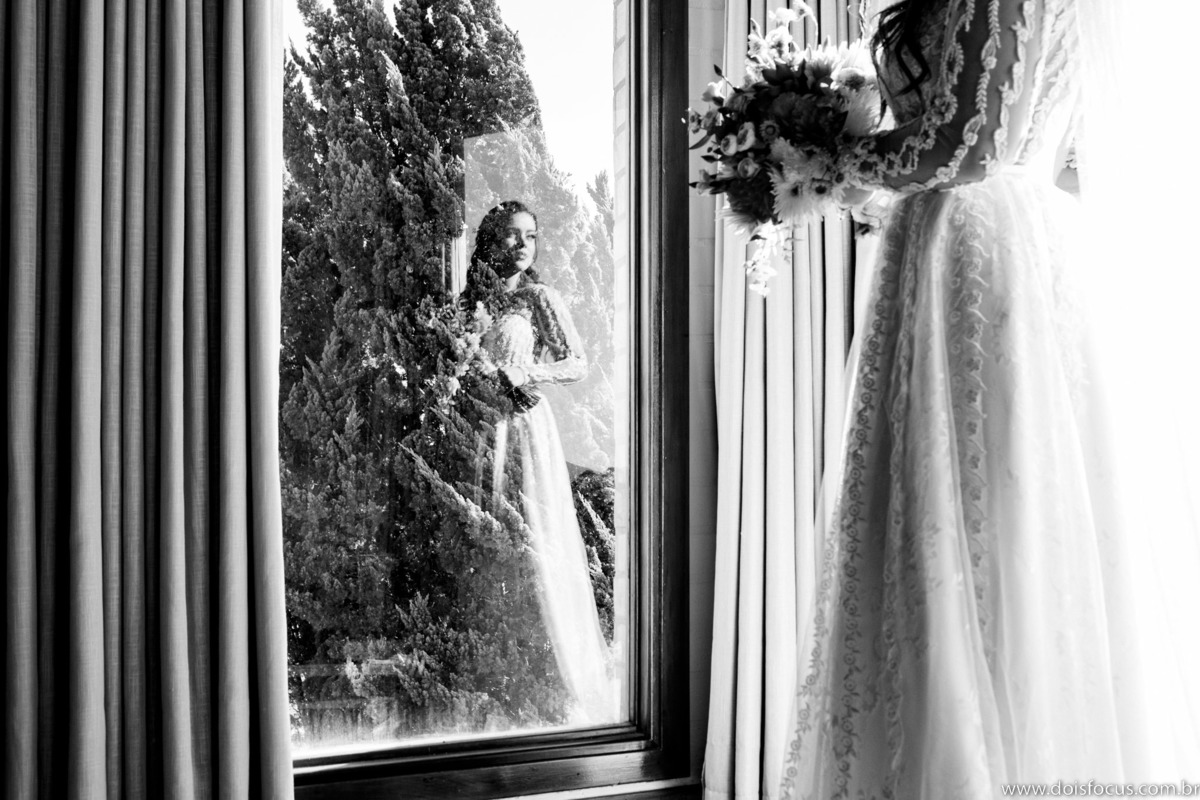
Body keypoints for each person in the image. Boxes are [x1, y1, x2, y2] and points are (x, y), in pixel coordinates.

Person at [779, 1, 1169, 796]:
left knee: (983, 501)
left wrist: (830, 154)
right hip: (938, 244)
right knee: (923, 502)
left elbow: (964, 147)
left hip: (978, 251)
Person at [462, 200, 617, 725]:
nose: (522, 245)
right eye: (509, 235)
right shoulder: (471, 303)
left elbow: (577, 361)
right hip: (482, 430)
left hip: (525, 426)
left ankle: (553, 674)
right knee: (488, 530)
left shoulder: (539, 297)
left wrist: (530, 372)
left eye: (531, 235)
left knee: (534, 532)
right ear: (488, 242)